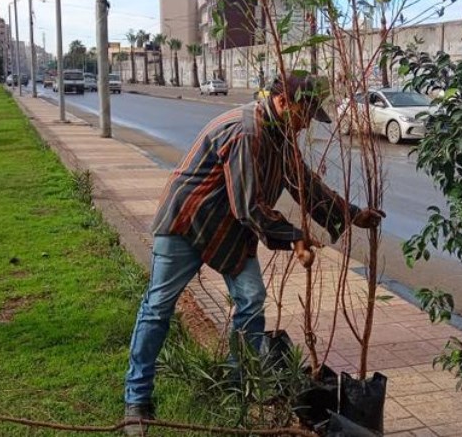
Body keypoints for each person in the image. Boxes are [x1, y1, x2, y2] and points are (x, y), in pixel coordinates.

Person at [123, 72, 385, 434]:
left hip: (229, 231)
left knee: (251, 298)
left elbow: (304, 183)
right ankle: (137, 399)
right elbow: (248, 207)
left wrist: (352, 215)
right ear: (283, 102)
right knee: (158, 306)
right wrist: (295, 237)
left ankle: (235, 386)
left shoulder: (279, 136)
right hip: (188, 223)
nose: (306, 124)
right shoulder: (248, 131)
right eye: (304, 114)